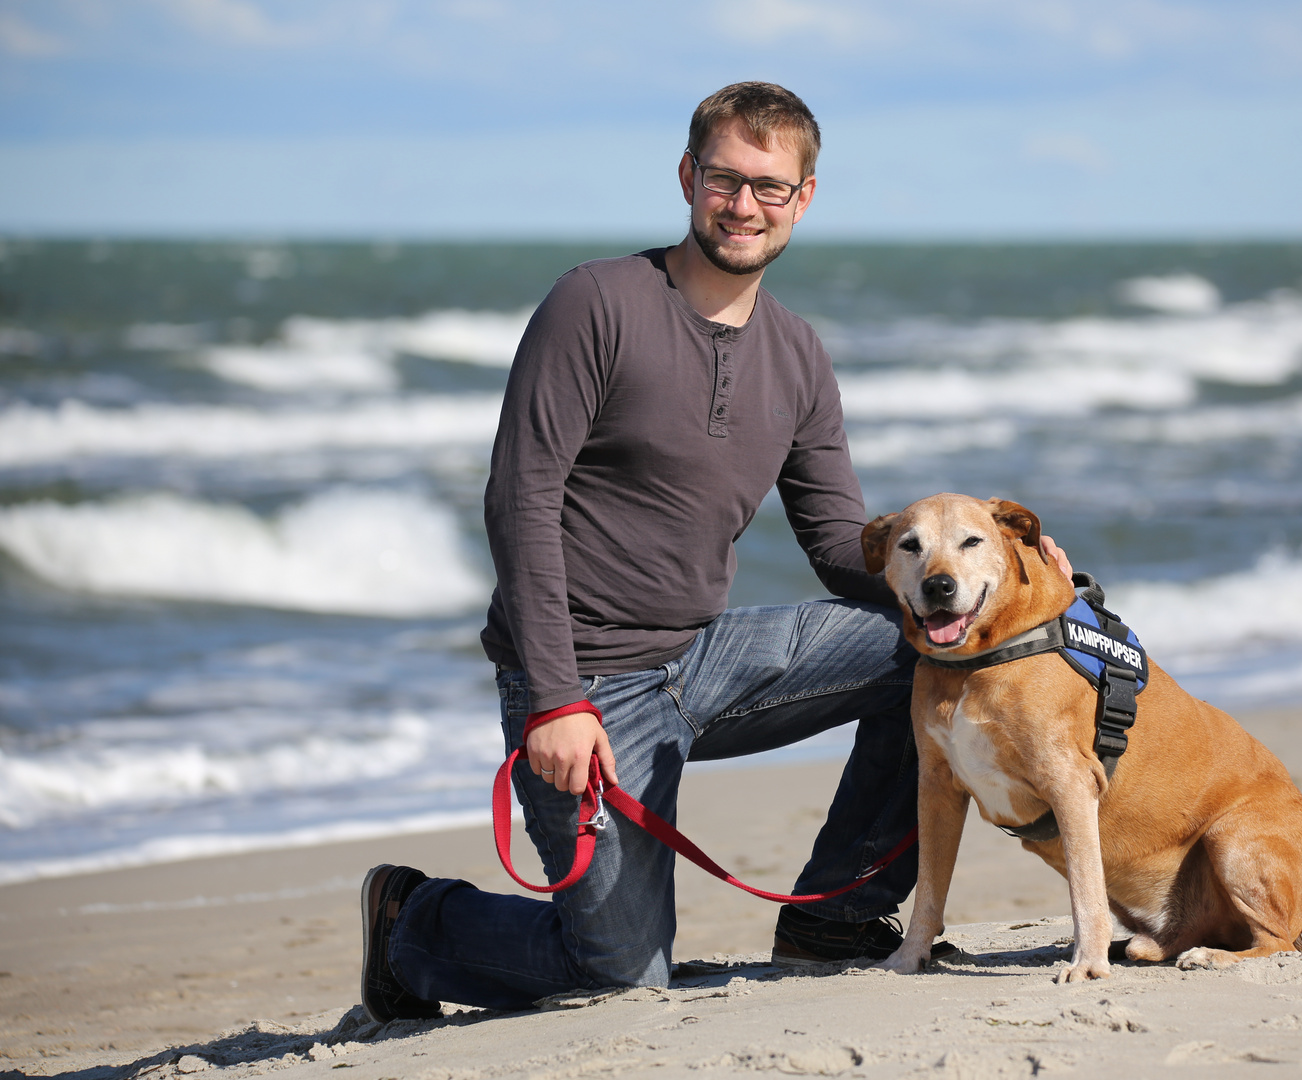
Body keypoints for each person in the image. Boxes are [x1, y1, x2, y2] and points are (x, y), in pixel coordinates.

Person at [359, 82, 1070, 1021]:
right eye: (725, 181)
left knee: (932, 646)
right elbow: (519, 498)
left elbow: (833, 542)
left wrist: (990, 574)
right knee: (617, 976)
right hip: (589, 683)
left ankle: (837, 918)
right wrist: (555, 699)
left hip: (704, 657)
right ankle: (416, 923)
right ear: (689, 176)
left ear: (803, 198)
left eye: (769, 188)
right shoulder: (596, 303)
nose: (744, 207)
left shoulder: (799, 353)